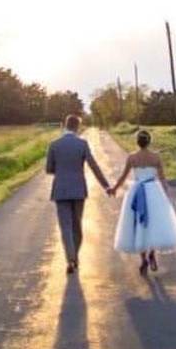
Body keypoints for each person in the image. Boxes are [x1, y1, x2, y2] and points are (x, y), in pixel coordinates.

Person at [46, 114, 113, 275]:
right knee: (77, 225)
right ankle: (75, 256)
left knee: (65, 227)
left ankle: (70, 259)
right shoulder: (82, 144)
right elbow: (94, 166)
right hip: (78, 190)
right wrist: (106, 186)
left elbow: (49, 169)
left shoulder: (54, 145)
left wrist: (61, 170)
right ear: (77, 127)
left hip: (60, 190)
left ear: (65, 125)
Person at [112, 129, 176, 275]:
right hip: (153, 191)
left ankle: (143, 258)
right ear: (149, 141)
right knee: (153, 223)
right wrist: (165, 193)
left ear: (137, 142)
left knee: (138, 223)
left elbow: (123, 177)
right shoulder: (156, 157)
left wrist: (114, 188)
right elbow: (162, 178)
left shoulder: (132, 157)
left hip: (137, 190)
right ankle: (152, 253)